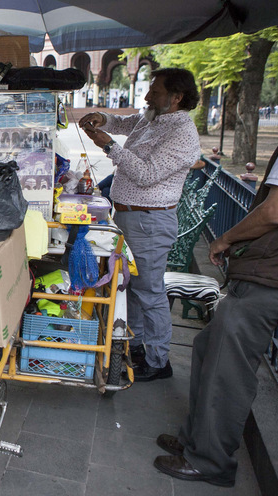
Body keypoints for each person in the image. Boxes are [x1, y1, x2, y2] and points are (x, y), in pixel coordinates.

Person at [152, 71, 278, 488]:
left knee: (226, 371)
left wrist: (226, 238)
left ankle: (210, 460)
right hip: (276, 275)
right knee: (207, 349)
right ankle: (194, 441)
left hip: (273, 278)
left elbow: (276, 211)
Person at [80, 67, 201, 381]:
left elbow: (147, 174)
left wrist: (110, 146)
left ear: (176, 97)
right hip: (131, 216)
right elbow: (123, 122)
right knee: (132, 286)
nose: (147, 96)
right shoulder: (153, 119)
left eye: (156, 91)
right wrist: (99, 117)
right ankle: (135, 346)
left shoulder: (182, 133)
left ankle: (159, 360)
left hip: (150, 220)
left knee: (149, 290)